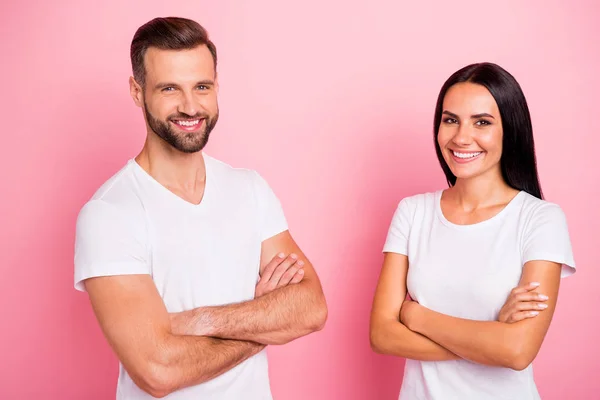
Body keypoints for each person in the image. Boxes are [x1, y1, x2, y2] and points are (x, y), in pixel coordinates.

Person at [74, 16, 327, 400]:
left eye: (202, 86)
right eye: (170, 88)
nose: (190, 106)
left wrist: (196, 321)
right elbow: (157, 370)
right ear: (137, 91)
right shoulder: (110, 214)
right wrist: (263, 326)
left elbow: (310, 308)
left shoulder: (250, 189)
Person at [369, 62, 575, 400]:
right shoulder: (413, 212)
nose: (461, 137)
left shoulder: (541, 219)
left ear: (510, 129)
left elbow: (518, 351)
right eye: (451, 120)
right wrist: (491, 339)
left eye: (482, 122)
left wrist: (413, 314)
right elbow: (381, 334)